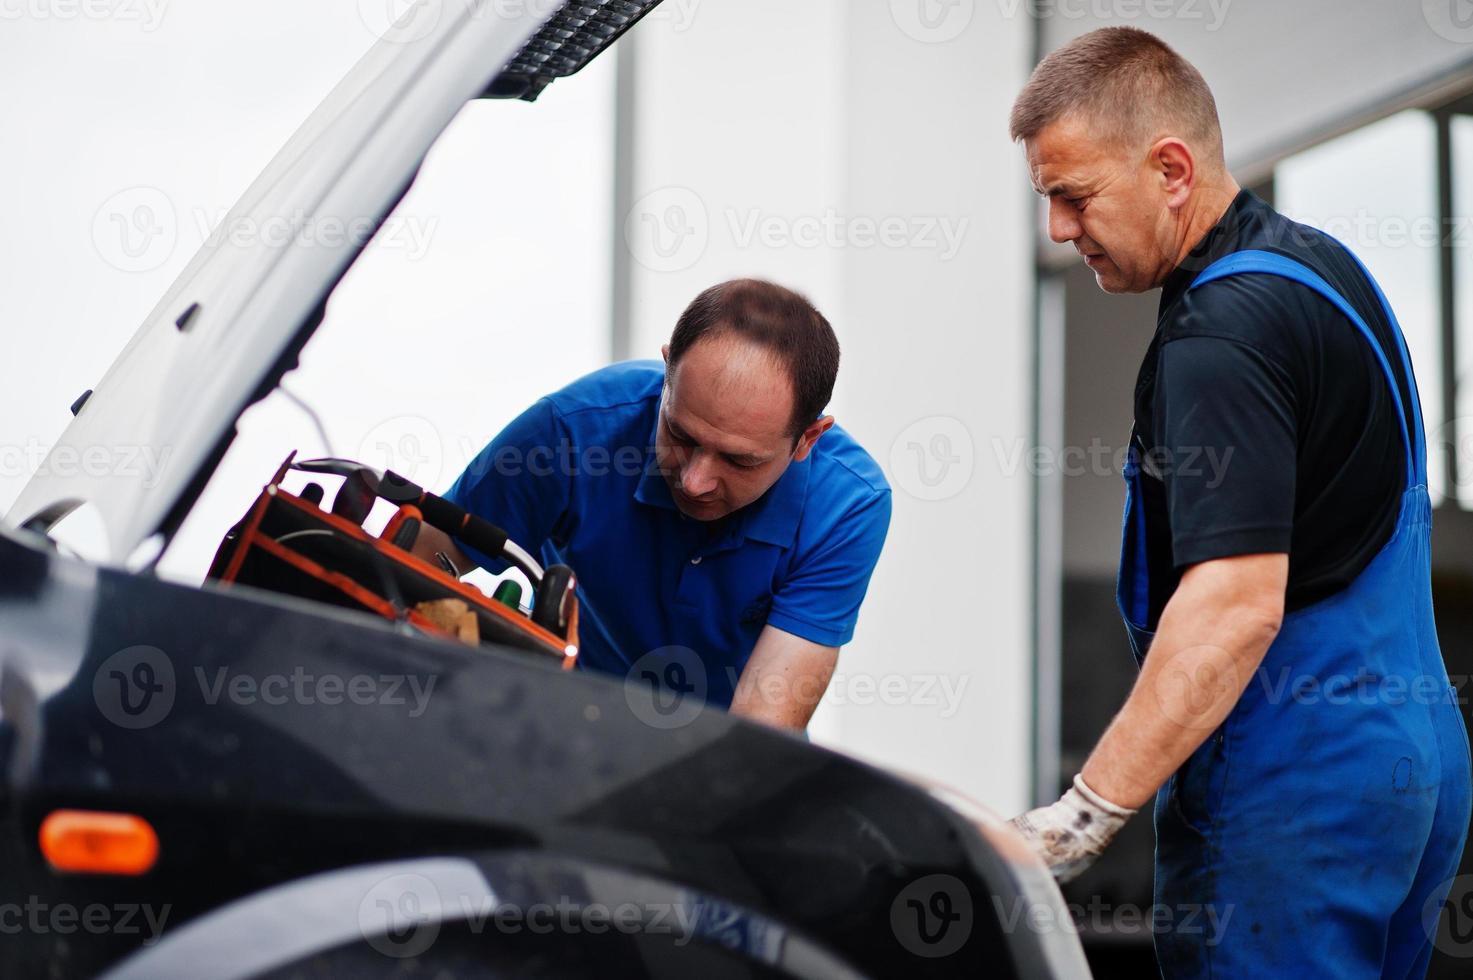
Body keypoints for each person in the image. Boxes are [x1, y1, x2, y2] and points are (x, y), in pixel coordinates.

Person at [1006, 26, 1471, 976]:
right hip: (1409, 768)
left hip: (1293, 785)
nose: (1057, 228)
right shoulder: (1326, 273)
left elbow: (1232, 607)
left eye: (1073, 195)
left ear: (1170, 168)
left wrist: (1080, 815)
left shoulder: (1218, 335)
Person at [413, 278, 891, 731]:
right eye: (680, 434)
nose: (694, 481)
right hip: (551, 730)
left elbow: (760, 728)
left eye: (739, 461)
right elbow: (411, 566)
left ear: (807, 439)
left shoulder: (847, 507)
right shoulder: (572, 432)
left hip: (715, 767)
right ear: (667, 373)